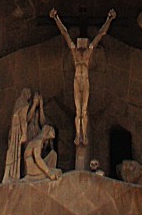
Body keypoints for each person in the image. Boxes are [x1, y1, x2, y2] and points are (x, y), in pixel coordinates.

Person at [50, 8, 116, 146]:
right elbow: (65, 33)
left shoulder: (88, 53)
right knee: (78, 111)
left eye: (83, 43)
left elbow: (100, 34)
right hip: (77, 81)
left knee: (84, 111)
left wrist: (109, 19)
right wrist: (56, 18)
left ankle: (83, 135)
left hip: (84, 81)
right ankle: (78, 135)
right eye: (79, 42)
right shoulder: (74, 52)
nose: (80, 44)